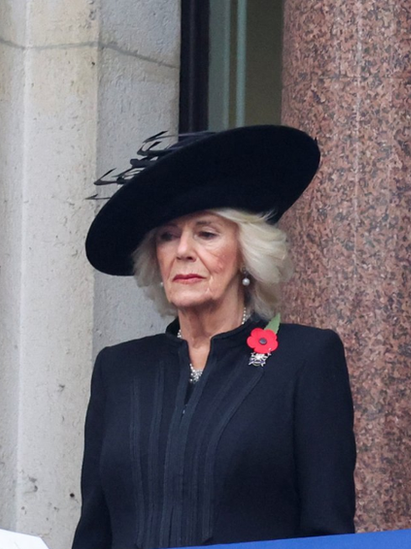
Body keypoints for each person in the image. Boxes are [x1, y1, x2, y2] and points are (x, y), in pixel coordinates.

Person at [73, 125, 357, 549]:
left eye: (206, 233)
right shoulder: (119, 369)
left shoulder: (306, 358)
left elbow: (327, 531)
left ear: (246, 254)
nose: (183, 250)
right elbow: (94, 532)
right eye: (167, 236)